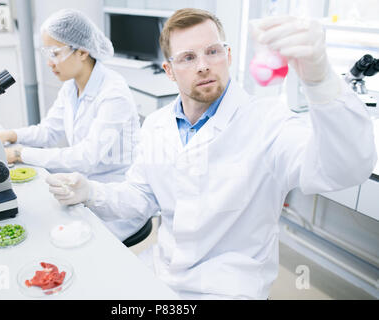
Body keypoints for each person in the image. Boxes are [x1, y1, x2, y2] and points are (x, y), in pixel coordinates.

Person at [45, 8, 377, 299]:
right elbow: (140, 196)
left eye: (213, 51)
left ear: (228, 56)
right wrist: (91, 192)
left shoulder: (268, 122)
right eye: (188, 57)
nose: (204, 65)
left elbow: (344, 169)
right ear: (169, 71)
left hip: (231, 286)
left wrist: (320, 81)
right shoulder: (158, 125)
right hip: (164, 271)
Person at [0, 9, 147, 242]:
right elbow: (48, 132)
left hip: (115, 200)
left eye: (55, 53)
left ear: (83, 51)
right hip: (83, 184)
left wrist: (18, 153)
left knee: (58, 238)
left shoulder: (114, 93)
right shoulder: (71, 87)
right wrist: (6, 135)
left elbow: (86, 157)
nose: (49, 62)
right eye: (47, 53)